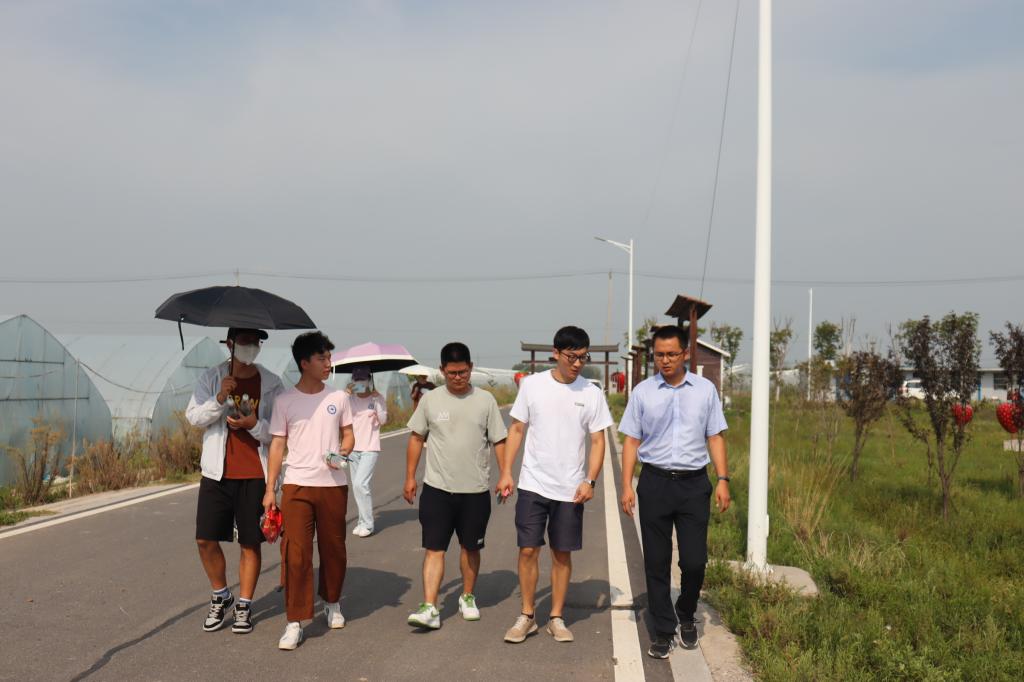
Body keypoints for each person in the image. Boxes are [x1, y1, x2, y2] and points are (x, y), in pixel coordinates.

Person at [618, 324, 731, 659]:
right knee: (656, 561)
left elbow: (715, 436)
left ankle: (686, 610)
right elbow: (631, 440)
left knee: (694, 562)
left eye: (671, 354)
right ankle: (664, 630)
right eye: (659, 355)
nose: (664, 360)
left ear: (685, 353)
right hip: (654, 483)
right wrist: (626, 485)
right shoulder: (643, 392)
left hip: (694, 485)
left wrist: (723, 479)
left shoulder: (705, 390)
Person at [502, 326, 613, 644]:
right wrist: (506, 471)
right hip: (533, 483)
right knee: (528, 549)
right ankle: (527, 615)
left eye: (583, 357)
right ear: (556, 353)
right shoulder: (532, 385)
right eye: (572, 356)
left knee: (561, 554)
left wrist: (590, 480)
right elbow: (517, 430)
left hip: (570, 489)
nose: (577, 363)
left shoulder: (591, 393)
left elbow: (598, 440)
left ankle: (556, 617)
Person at [403, 342, 509, 630]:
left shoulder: (486, 400)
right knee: (434, 547)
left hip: (475, 491)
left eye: (463, 372)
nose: (458, 377)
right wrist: (410, 476)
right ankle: (429, 607)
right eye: (452, 373)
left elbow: (499, 440)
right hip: (437, 489)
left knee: (470, 548)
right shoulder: (430, 400)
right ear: (442, 371)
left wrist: (505, 474)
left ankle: (467, 596)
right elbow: (416, 438)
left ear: (471, 368)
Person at [186, 327, 283, 635]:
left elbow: (279, 433)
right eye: (244, 341)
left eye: (256, 342)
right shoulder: (212, 377)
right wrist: (219, 398)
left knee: (250, 542)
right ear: (230, 343)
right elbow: (194, 417)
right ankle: (221, 594)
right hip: (217, 472)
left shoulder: (272, 383)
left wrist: (253, 425)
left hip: (254, 474)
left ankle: (244, 604)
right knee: (205, 539)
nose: (251, 346)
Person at [263, 331, 355, 651]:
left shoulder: (338, 398)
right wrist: (270, 489)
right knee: (296, 552)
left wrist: (342, 452)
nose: (328, 363)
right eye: (321, 358)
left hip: (332, 485)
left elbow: (348, 435)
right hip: (297, 484)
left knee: (333, 548)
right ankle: (294, 621)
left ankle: (332, 602)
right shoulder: (285, 401)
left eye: (329, 357)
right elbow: (277, 445)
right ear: (304, 363)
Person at [347, 365, 388, 538]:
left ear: (369, 380)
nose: (360, 383)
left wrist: (378, 401)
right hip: (353, 449)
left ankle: (368, 524)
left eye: (363, 379)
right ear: (353, 381)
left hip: (370, 447)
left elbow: (383, 420)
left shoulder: (377, 399)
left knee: (360, 484)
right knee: (357, 487)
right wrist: (344, 395)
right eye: (357, 380)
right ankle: (362, 521)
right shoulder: (349, 399)